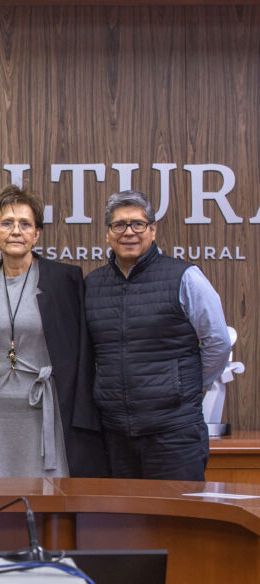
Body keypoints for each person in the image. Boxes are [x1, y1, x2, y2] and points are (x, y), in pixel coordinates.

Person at [0, 185, 108, 478]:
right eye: (7, 223)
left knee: (50, 497)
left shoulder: (65, 282)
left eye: (25, 224)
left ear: (37, 234)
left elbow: (83, 359)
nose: (16, 232)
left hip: (49, 415)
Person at [86, 190, 231, 481]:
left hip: (175, 434)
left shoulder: (185, 277)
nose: (129, 232)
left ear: (153, 230)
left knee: (179, 511)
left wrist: (185, 385)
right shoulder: (92, 284)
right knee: (122, 513)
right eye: (119, 225)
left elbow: (218, 341)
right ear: (108, 234)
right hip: (115, 435)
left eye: (138, 224)